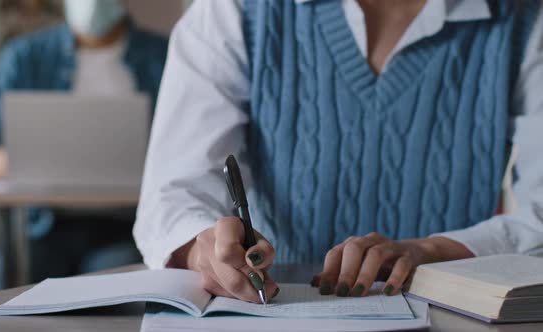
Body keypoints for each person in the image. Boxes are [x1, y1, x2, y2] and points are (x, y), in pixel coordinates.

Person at [134, 0, 543, 303]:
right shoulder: (237, 11)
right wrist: (203, 249)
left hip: (455, 315)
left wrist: (433, 251)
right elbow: (172, 197)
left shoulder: (525, 21)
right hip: (273, 314)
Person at [0, 0, 168, 291]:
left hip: (126, 228)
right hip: (43, 227)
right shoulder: (23, 57)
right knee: (1, 288)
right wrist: (15, 160)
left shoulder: (165, 57)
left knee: (115, 289)